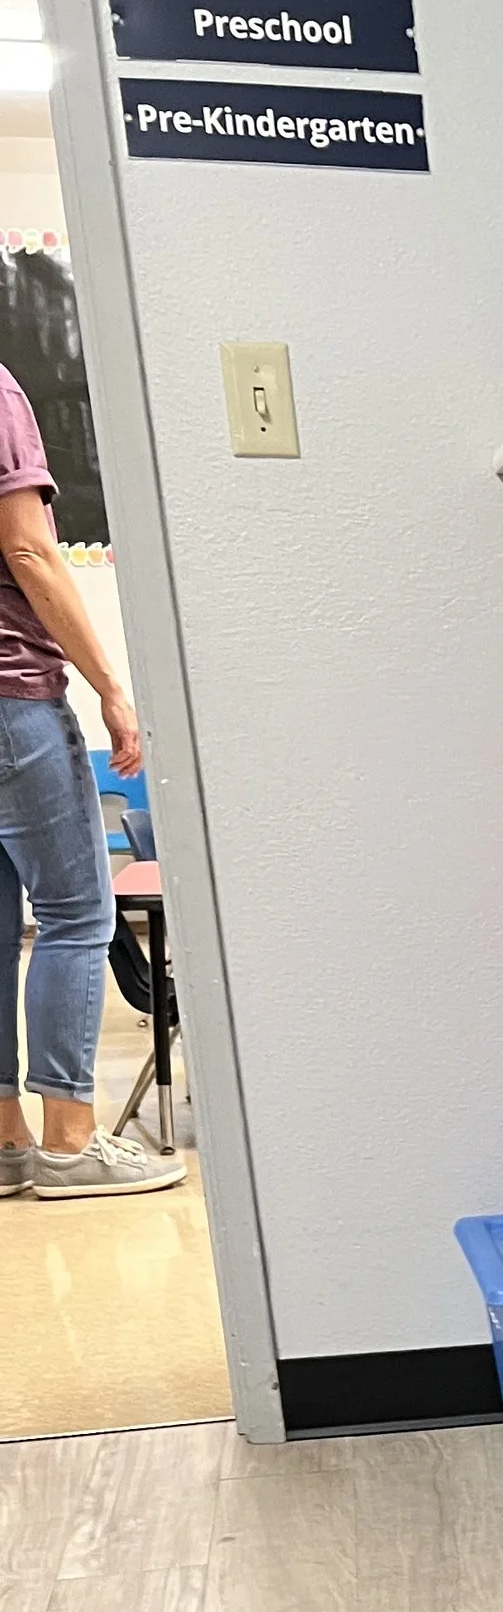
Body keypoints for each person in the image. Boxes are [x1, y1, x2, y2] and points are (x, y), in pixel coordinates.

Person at [0, 358, 179, 1201]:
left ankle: (7, 1142)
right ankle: (71, 1144)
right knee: (77, 912)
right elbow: (30, 548)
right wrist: (111, 684)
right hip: (10, 700)